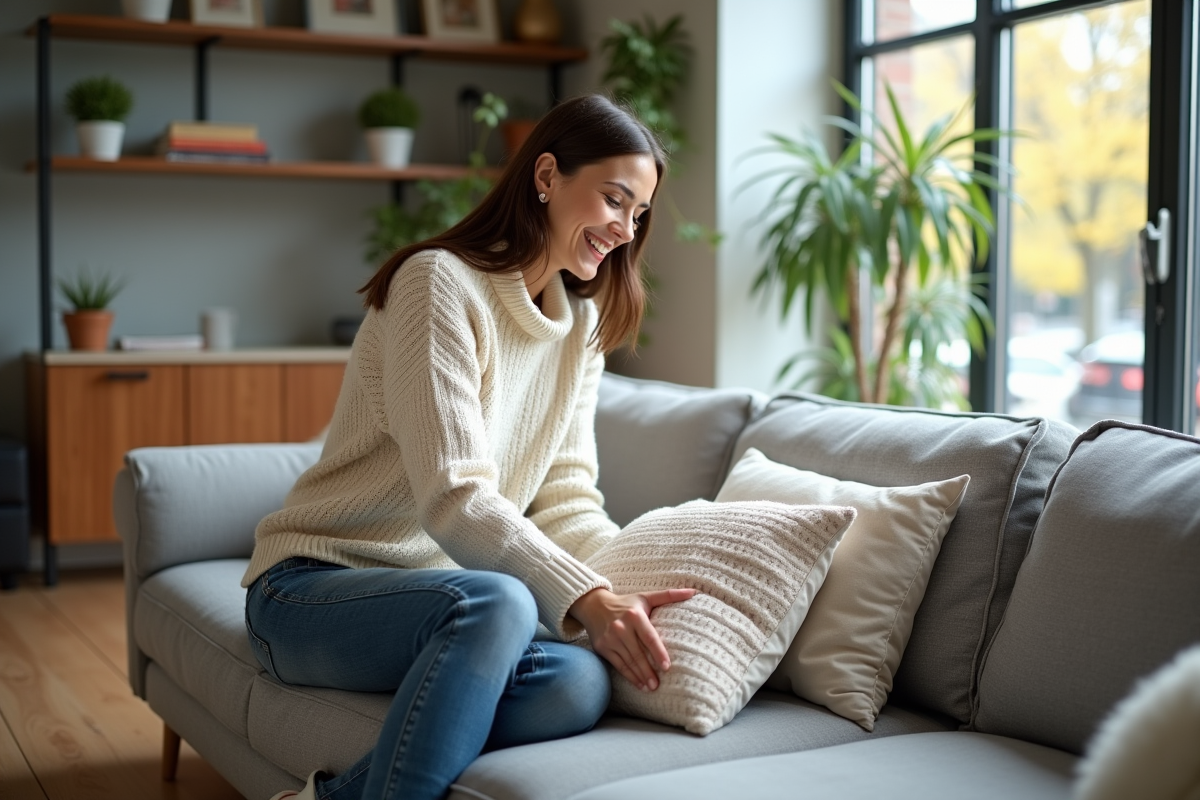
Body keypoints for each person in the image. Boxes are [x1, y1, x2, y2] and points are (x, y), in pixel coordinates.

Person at [244, 94, 696, 800]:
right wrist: (589, 599)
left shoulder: (578, 333)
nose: (623, 229)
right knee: (501, 605)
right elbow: (454, 499)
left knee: (576, 682)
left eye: (638, 215)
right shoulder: (438, 284)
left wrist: (627, 592)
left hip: (448, 606)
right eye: (614, 199)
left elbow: (568, 500)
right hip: (309, 591)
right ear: (546, 176)